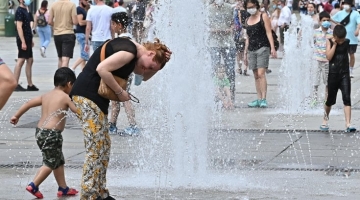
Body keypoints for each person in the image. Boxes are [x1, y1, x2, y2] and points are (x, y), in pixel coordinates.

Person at [69, 12, 172, 199]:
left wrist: (161, 63)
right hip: (86, 96)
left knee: (104, 145)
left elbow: (145, 76)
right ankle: (89, 194)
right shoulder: (128, 51)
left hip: (95, 100)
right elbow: (102, 69)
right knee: (95, 147)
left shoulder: (137, 56)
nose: (147, 69)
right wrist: (120, 93)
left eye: (152, 68)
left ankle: (100, 191)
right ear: (149, 53)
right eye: (150, 64)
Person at [10, 68, 78, 199]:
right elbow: (78, 111)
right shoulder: (65, 97)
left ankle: (63, 188)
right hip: (52, 134)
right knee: (50, 162)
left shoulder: (46, 95)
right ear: (69, 84)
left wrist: (16, 115)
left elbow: (29, 103)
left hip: (40, 132)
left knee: (57, 160)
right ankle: (34, 185)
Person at [108, 12, 141, 135]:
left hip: (119, 73)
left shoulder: (120, 41)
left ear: (119, 25)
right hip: (128, 73)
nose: (112, 26)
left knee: (122, 98)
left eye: (113, 24)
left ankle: (132, 126)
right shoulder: (131, 39)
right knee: (118, 98)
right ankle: (113, 124)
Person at [320, 25, 356, 132]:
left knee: (347, 98)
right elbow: (328, 57)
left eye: (342, 39)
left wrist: (350, 68)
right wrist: (334, 45)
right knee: (330, 100)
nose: (341, 42)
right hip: (333, 74)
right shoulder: (329, 42)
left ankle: (348, 124)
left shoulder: (347, 41)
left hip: (344, 74)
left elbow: (351, 55)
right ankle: (325, 120)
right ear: (334, 36)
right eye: (339, 40)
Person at [244, 0, 277, 108]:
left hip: (263, 47)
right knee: (255, 75)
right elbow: (247, 38)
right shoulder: (247, 20)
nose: (251, 9)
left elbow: (268, 32)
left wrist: (272, 48)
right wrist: (245, 53)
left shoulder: (263, 16)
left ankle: (263, 99)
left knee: (261, 73)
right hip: (251, 49)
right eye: (249, 7)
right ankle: (258, 98)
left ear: (257, 6)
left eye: (253, 6)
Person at [208, 0, 236, 102]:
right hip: (214, 43)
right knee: (214, 70)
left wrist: (230, 29)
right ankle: (216, 98)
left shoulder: (229, 8)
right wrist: (214, 30)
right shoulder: (208, 9)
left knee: (230, 71)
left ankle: (231, 98)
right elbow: (204, 26)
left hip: (228, 43)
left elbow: (234, 23)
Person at [14, 0, 39, 92]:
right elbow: (19, 27)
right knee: (21, 60)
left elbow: (29, 26)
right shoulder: (20, 10)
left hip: (27, 38)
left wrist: (30, 39)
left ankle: (30, 84)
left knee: (30, 60)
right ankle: (15, 84)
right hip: (22, 39)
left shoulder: (27, 9)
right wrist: (23, 42)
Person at [331, 0, 360, 78]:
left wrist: (357, 30)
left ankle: (350, 70)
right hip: (342, 37)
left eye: (347, 4)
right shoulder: (340, 13)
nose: (346, 5)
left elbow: (359, 23)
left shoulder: (356, 13)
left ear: (351, 5)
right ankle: (341, 69)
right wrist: (338, 24)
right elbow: (331, 18)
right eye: (345, 4)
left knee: (352, 54)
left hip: (352, 39)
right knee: (341, 54)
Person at [312, 11, 333, 106]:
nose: (326, 22)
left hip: (327, 61)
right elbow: (310, 43)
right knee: (315, 81)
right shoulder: (316, 32)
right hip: (317, 59)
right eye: (324, 20)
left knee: (327, 82)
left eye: (328, 20)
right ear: (320, 21)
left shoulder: (332, 33)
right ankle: (314, 99)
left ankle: (326, 99)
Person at [49, 0, 78, 68]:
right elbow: (75, 21)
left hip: (57, 34)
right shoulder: (71, 5)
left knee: (60, 58)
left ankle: (59, 77)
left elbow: (50, 21)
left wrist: (56, 25)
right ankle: (64, 77)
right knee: (65, 59)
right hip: (68, 33)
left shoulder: (54, 5)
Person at [72, 0, 90, 72]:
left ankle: (83, 72)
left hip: (83, 34)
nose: (87, 1)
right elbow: (80, 22)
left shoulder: (83, 10)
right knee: (84, 55)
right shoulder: (79, 9)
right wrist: (89, 21)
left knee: (84, 56)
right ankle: (72, 68)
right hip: (81, 34)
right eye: (85, 0)